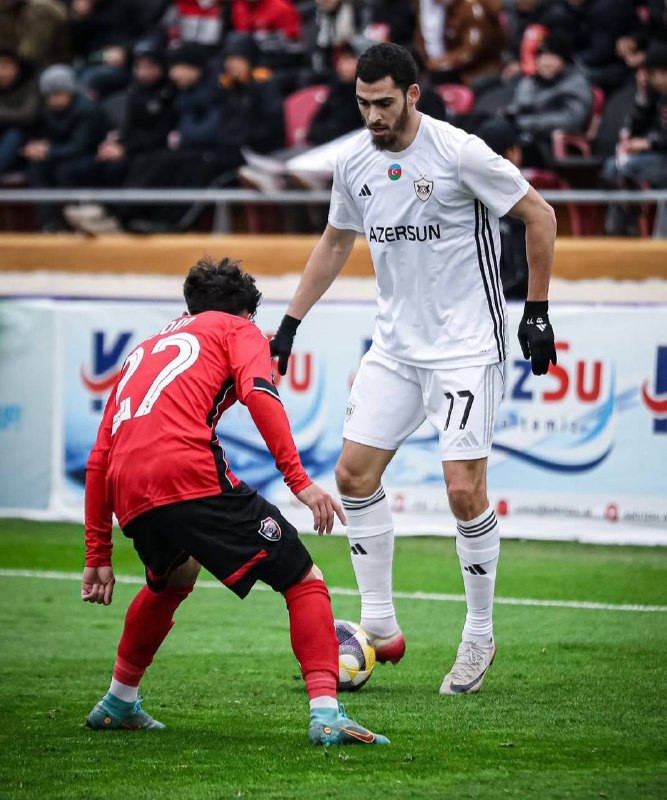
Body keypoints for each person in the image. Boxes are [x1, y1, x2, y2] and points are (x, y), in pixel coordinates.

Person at [270, 43, 557, 695]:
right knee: (352, 474)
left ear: (411, 95)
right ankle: (378, 623)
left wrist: (536, 312)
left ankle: (478, 634)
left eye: (383, 103)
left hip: (466, 348)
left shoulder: (459, 153)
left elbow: (539, 216)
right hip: (395, 349)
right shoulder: (354, 162)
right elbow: (335, 240)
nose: (373, 116)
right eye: (362, 104)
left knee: (462, 490)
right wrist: (290, 322)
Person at [82, 258, 389, 747]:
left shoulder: (144, 349)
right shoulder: (238, 329)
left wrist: (97, 551)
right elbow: (260, 394)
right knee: (303, 578)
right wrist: (299, 480)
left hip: (127, 484)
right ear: (245, 313)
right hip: (185, 471)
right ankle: (327, 715)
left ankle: (118, 702)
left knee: (174, 577)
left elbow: (99, 456)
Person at [504, 32, 593, 168]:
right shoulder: (532, 81)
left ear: (564, 60)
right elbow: (520, 107)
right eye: (542, 56)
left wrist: (527, 123)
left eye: (551, 56)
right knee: (488, 127)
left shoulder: (576, 84)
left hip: (547, 145)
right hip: (526, 135)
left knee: (498, 138)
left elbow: (571, 120)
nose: (545, 62)